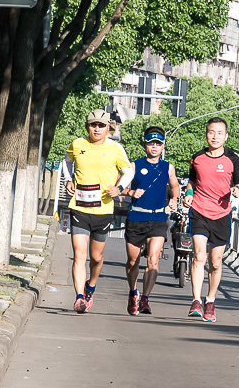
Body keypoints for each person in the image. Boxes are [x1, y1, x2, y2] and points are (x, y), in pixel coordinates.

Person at [62, 109, 131, 313]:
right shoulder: (77, 144)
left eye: (101, 125)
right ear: (87, 126)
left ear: (108, 128)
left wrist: (118, 188)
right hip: (79, 208)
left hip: (103, 210)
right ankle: (79, 297)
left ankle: (90, 286)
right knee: (79, 254)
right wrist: (68, 180)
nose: (97, 129)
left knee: (96, 258)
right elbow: (66, 162)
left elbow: (128, 171)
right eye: (93, 125)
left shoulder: (115, 148)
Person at [183, 117, 239, 323]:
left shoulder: (233, 158)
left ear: (226, 136)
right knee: (199, 256)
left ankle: (210, 300)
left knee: (215, 262)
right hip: (199, 210)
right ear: (206, 134)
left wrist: (236, 190)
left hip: (221, 214)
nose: (215, 136)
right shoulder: (197, 157)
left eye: (219, 133)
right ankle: (196, 301)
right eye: (211, 132)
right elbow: (192, 181)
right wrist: (189, 193)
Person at [119, 126, 180, 316]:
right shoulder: (134, 165)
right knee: (132, 261)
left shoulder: (168, 167)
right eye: (151, 143)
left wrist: (174, 198)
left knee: (153, 259)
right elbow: (119, 187)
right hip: (136, 217)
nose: (154, 147)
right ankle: (133, 292)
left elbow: (175, 186)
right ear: (145, 145)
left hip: (158, 218)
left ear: (162, 146)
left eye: (158, 144)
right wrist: (130, 192)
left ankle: (145, 298)